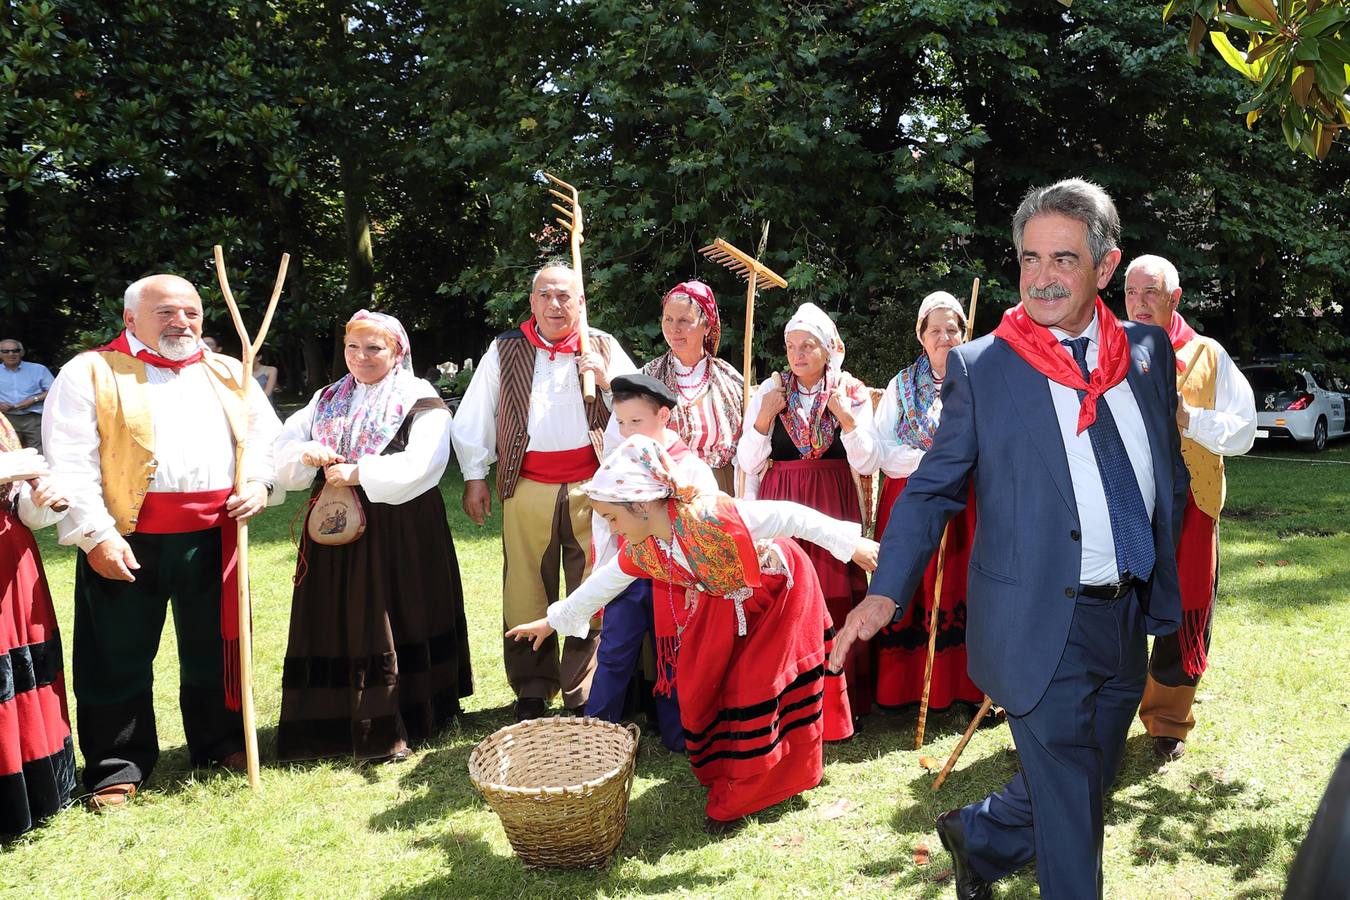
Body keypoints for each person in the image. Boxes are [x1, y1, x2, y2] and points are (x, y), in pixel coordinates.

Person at [831, 178, 1189, 899]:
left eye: (1062, 259)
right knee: (1071, 821)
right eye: (1029, 259)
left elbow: (1165, 471)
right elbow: (932, 487)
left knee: (1085, 780)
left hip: (1126, 616)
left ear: (1105, 267)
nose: (1041, 278)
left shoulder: (1146, 354)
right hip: (1037, 621)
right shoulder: (985, 366)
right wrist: (885, 590)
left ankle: (983, 835)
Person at [507, 435, 879, 832]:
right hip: (724, 603)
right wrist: (553, 621)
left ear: (643, 505)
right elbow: (604, 583)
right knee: (698, 684)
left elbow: (790, 515)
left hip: (779, 592)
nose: (611, 527)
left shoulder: (712, 516)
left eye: (613, 518)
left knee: (754, 686)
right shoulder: (644, 548)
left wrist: (851, 544)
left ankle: (749, 790)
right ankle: (732, 769)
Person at [41, 273, 284, 809]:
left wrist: (258, 484)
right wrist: (95, 536)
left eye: (191, 313)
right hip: (127, 534)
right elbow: (69, 460)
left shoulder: (227, 370)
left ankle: (220, 742)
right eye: (166, 313)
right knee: (117, 653)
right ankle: (116, 763)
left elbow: (267, 438)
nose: (182, 323)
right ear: (131, 319)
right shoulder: (90, 372)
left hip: (216, 534)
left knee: (215, 647)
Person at [272, 310, 473, 763]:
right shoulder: (327, 398)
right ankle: (333, 718)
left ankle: (406, 712)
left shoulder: (418, 397)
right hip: (335, 523)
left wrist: (361, 470)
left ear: (397, 350)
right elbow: (282, 451)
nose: (361, 357)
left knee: (391, 609)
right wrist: (305, 453)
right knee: (336, 613)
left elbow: (425, 463)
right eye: (352, 347)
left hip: (398, 524)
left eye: (374, 348)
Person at [452, 263, 637, 720]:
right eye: (546, 296)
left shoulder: (603, 346)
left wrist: (611, 383)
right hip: (527, 484)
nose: (555, 305)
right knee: (525, 586)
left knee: (591, 585)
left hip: (595, 489)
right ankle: (532, 688)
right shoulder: (505, 349)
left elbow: (641, 411)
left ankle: (583, 689)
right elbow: (475, 416)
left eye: (565, 297)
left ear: (581, 303)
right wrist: (475, 475)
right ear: (532, 302)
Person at [1123, 254, 1255, 761]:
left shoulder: (1207, 355)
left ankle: (1167, 720)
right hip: (1128, 504)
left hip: (1192, 506)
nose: (1138, 302)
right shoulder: (1106, 350)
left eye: (1150, 292)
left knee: (1185, 616)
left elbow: (1243, 431)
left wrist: (1188, 417)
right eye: (1132, 292)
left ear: (1174, 298)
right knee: (1117, 611)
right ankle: (1108, 710)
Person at [737, 302, 879, 722]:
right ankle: (788, 696)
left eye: (808, 346)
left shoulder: (849, 390)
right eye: (791, 346)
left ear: (828, 349)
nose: (798, 355)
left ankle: (838, 697)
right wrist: (764, 417)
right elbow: (746, 460)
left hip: (833, 500)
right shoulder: (770, 391)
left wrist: (845, 419)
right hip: (782, 504)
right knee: (785, 594)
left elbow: (869, 462)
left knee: (834, 593)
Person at [862, 291, 983, 713]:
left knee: (960, 588)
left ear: (964, 334)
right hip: (912, 495)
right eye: (936, 330)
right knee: (913, 586)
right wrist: (932, 462)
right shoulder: (901, 385)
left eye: (953, 329)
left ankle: (967, 688)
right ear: (921, 336)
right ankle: (906, 689)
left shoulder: (980, 380)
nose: (945, 337)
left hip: (966, 505)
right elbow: (883, 447)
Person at [588, 374, 719, 751]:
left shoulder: (689, 468)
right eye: (622, 422)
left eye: (637, 421)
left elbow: (704, 523)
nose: (628, 431)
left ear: (663, 416)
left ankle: (681, 735)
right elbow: (603, 522)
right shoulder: (616, 466)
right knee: (615, 652)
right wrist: (603, 570)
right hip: (628, 576)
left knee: (675, 656)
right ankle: (597, 737)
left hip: (676, 581)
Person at [0, 417, 75, 837]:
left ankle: (35, 791)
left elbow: (20, 507)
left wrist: (38, 497)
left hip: (11, 554)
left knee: (21, 672)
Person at [640, 281, 744, 493]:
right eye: (668, 319)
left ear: (706, 326)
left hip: (719, 487)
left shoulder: (730, 380)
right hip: (667, 485)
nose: (674, 329)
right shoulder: (648, 377)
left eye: (684, 320)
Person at [0, 339, 54, 454]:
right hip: (6, 419)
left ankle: (39, 473)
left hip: (33, 418)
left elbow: (54, 390)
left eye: (15, 350)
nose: (11, 354)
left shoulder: (38, 369)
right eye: (6, 351)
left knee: (39, 453)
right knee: (9, 454)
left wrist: (33, 400)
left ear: (22, 352)